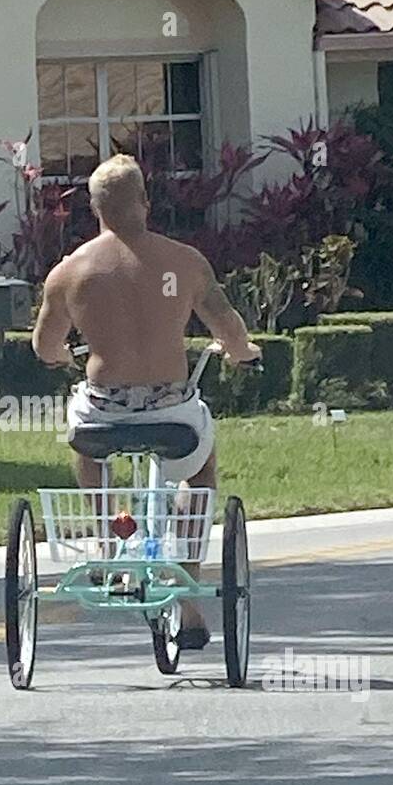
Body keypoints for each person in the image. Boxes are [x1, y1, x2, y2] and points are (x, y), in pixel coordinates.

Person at [32, 153, 261, 647]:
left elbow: (45, 346)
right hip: (171, 408)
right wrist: (243, 353)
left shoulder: (70, 273)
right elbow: (226, 323)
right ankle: (188, 591)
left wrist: (59, 358)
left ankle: (104, 543)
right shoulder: (184, 262)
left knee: (86, 441)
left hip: (105, 411)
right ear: (144, 202)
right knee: (199, 471)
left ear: (95, 209)